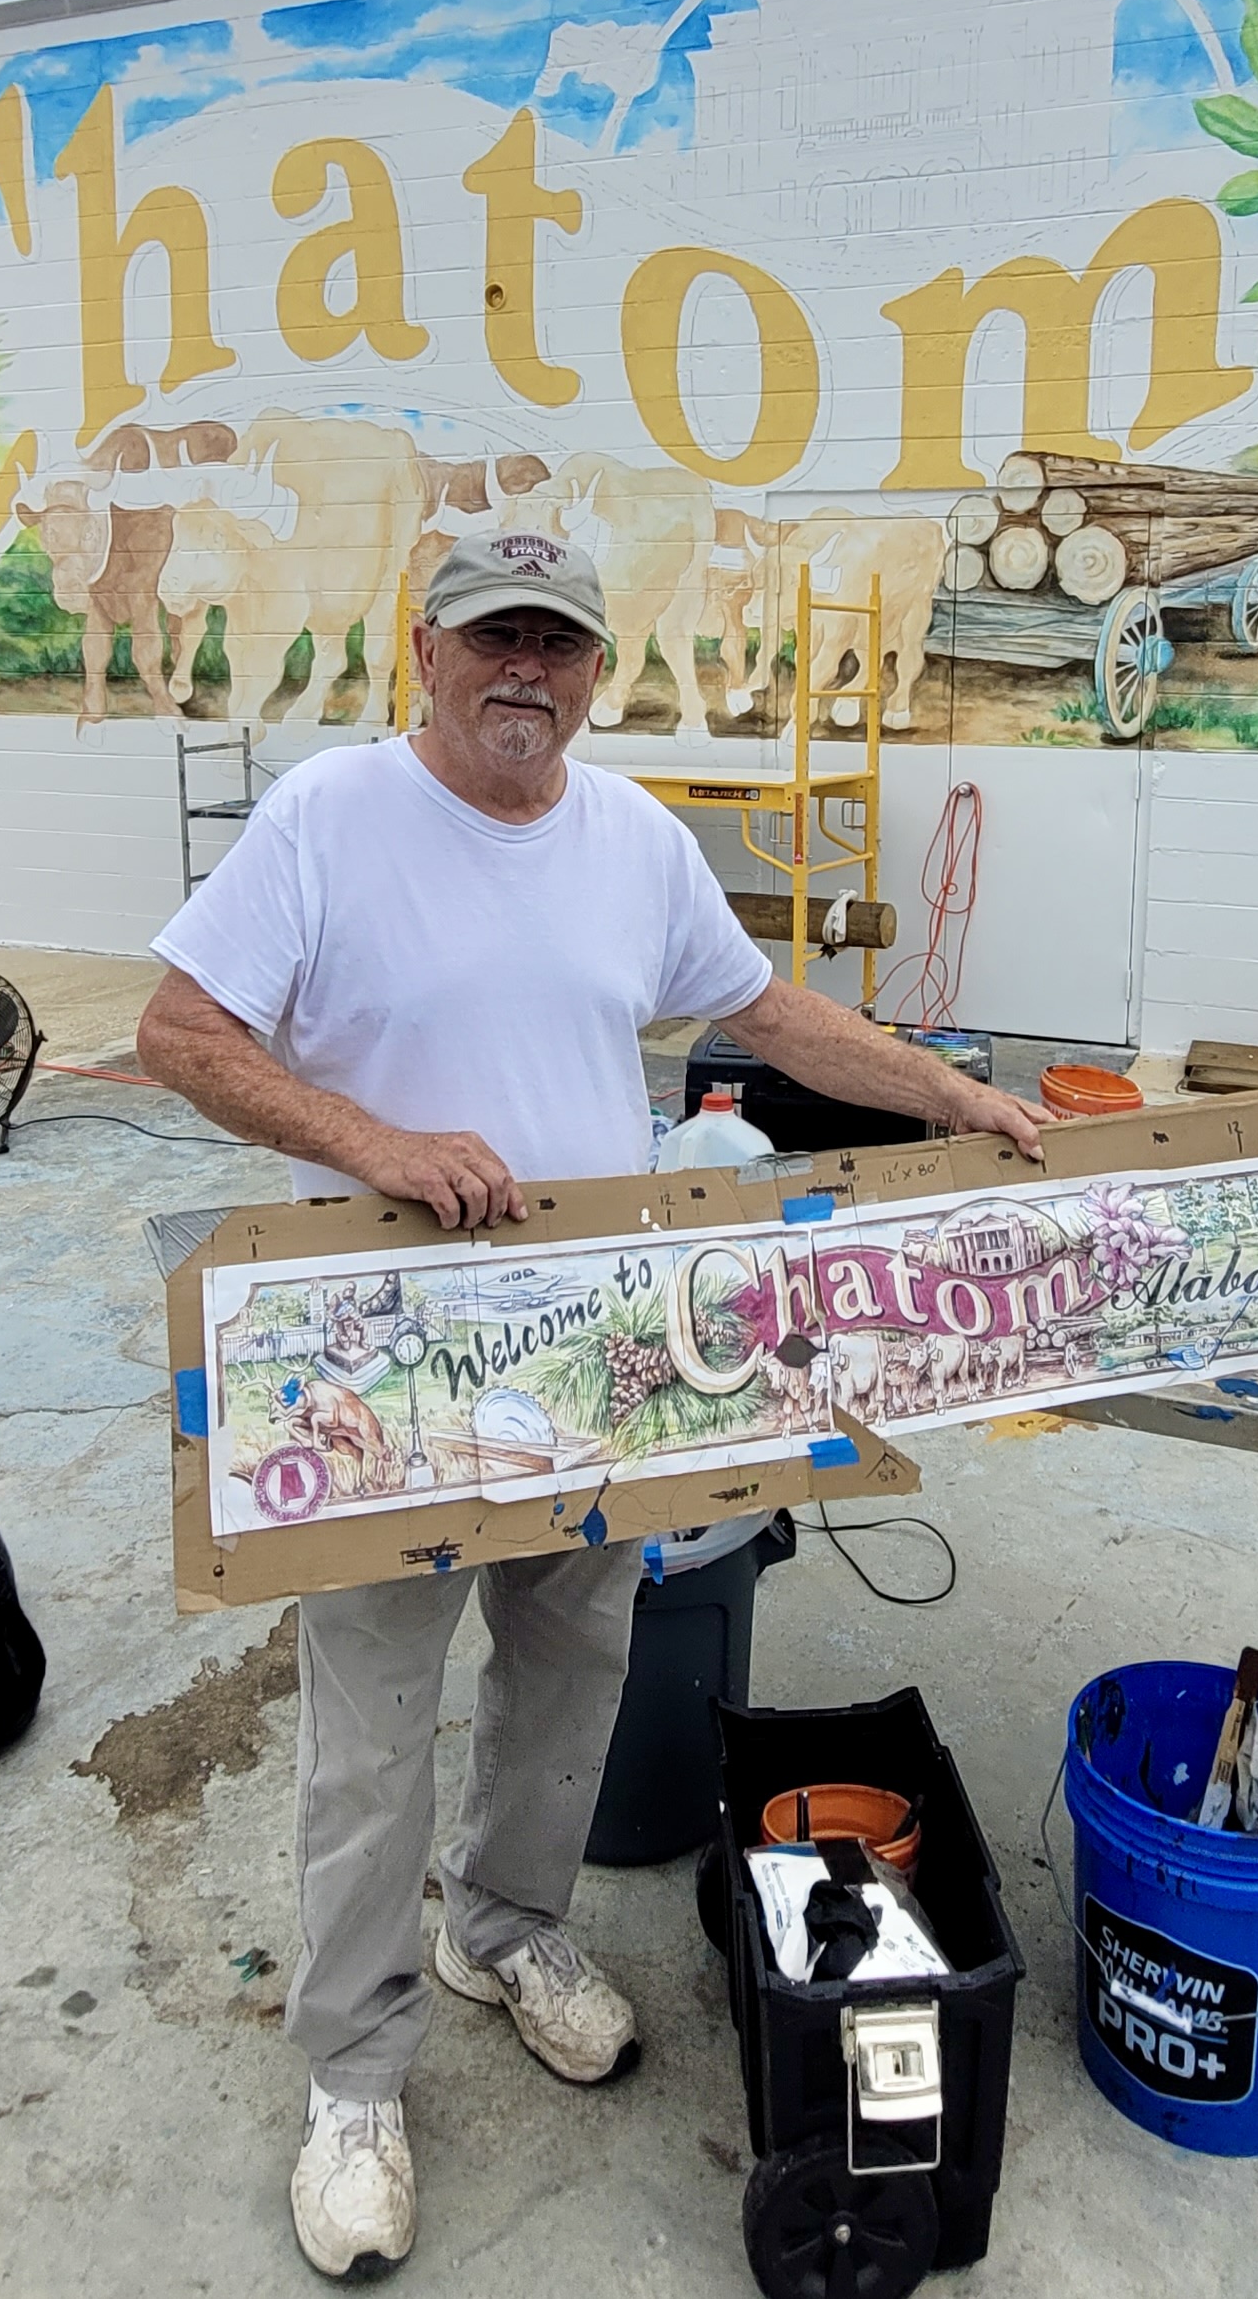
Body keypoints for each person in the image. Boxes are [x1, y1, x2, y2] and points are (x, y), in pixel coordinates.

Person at [137, 529, 1049, 2282]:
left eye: (558, 641)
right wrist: (378, 1145)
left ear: (592, 666)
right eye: (497, 636)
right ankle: (354, 2074)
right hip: (387, 1356)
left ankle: (507, 1927)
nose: (527, 671)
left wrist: (949, 1091)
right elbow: (181, 1032)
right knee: (371, 1729)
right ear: (425, 647)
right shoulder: (330, 816)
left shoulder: (634, 839)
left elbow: (766, 1009)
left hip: (593, 1355)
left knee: (571, 1677)